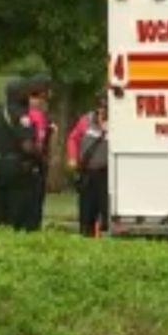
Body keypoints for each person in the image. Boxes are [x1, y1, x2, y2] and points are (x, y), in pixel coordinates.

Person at [0, 78, 43, 230]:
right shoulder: (22, 116)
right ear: (21, 95)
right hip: (19, 170)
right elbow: (27, 146)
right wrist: (40, 157)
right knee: (19, 215)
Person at [66, 93, 109, 237]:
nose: (103, 111)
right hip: (88, 172)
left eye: (106, 108)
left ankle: (104, 234)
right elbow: (73, 138)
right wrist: (73, 158)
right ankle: (86, 233)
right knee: (86, 210)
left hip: (106, 173)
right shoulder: (86, 120)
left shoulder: (117, 124)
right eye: (100, 107)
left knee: (106, 209)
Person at [25, 73, 55, 231]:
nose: (51, 94)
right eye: (48, 90)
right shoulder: (36, 113)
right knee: (34, 204)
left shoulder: (24, 109)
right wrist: (44, 159)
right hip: (35, 165)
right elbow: (39, 140)